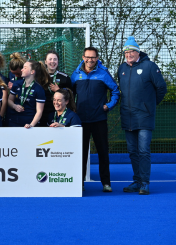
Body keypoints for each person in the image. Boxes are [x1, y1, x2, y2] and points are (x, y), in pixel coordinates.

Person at [118, 37, 167, 195]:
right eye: (126, 51)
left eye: (131, 51)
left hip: (145, 117)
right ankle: (137, 180)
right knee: (132, 151)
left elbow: (161, 88)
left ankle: (145, 182)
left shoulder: (150, 66)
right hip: (128, 116)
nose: (128, 54)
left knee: (143, 150)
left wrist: (150, 105)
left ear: (138, 52)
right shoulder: (121, 68)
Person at [71, 46, 120, 192]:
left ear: (97, 59)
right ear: (83, 57)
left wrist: (109, 106)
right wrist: (73, 110)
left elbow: (116, 91)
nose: (90, 59)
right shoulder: (76, 74)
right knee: (80, 153)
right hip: (81, 121)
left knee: (103, 152)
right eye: (87, 57)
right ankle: (79, 183)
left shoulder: (104, 74)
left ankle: (106, 183)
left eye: (93, 57)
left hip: (99, 119)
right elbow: (69, 94)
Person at [7, 61, 46, 128]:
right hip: (14, 122)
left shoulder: (39, 89)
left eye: (25, 68)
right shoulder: (17, 84)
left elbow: (39, 111)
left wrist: (31, 125)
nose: (22, 70)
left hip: (29, 124)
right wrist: (14, 106)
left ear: (32, 72)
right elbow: (10, 100)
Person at [40, 50, 72, 127]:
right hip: (42, 113)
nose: (52, 61)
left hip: (58, 113)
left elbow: (70, 95)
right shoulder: (39, 77)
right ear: (45, 62)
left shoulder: (65, 77)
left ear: (58, 61)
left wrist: (59, 91)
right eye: (50, 59)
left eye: (55, 59)